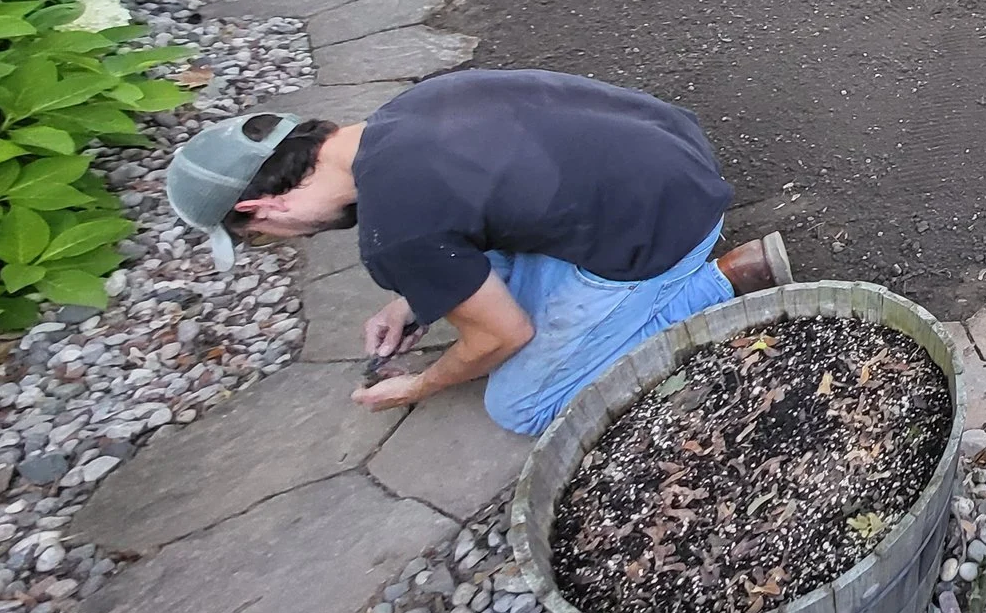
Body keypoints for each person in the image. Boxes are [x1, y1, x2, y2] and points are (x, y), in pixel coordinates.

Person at [164, 69, 790, 435]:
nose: (277, 242)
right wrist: (415, 302)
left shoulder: (394, 231)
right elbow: (458, 210)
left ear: (260, 208)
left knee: (517, 404)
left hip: (665, 229)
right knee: (483, 279)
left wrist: (421, 385)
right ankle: (661, 284)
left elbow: (502, 338)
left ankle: (719, 283)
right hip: (677, 160)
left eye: (260, 238)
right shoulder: (401, 111)